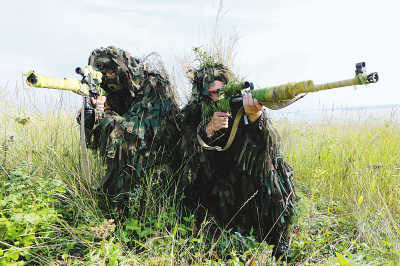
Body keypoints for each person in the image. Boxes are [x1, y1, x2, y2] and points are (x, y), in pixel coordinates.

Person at [180, 58, 296, 260]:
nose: (218, 97)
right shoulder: (194, 112)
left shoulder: (241, 104)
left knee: (276, 171)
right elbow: (185, 151)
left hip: (243, 178)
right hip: (212, 183)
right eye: (212, 93)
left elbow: (268, 147)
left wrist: (255, 118)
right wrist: (208, 129)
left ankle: (278, 240)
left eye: (222, 91)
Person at [77, 46, 181, 208]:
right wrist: (90, 116)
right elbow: (94, 144)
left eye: (110, 72)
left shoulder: (152, 84)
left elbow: (138, 133)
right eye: (102, 73)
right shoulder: (116, 90)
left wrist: (104, 116)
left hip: (159, 157)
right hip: (129, 160)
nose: (107, 77)